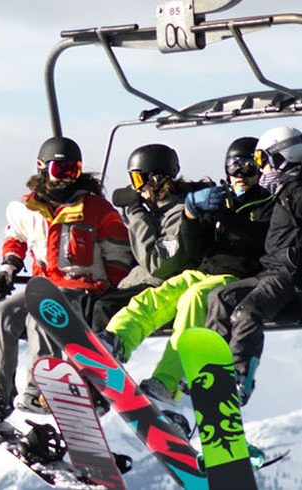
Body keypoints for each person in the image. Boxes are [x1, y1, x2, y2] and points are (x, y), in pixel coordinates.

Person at [0, 136, 134, 419]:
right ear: (42, 168)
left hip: (84, 292)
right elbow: (15, 237)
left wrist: (112, 296)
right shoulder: (25, 209)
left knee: (43, 310)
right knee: (0, 314)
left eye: (73, 171)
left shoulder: (96, 210)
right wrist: (9, 266)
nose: (66, 179)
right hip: (44, 286)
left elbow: (118, 255)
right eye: (59, 170)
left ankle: (44, 388)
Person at [100, 136, 275, 403]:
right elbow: (195, 246)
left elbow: (262, 243)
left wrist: (229, 219)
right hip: (206, 270)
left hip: (239, 276)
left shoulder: (269, 205)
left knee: (194, 299)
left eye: (249, 167)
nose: (240, 175)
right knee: (159, 295)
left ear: (261, 169)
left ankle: (167, 383)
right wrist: (192, 216)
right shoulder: (222, 200)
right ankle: (116, 340)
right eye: (233, 167)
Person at [205, 126, 302, 406]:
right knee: (220, 297)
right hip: (270, 271)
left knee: (247, 311)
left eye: (262, 161)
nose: (261, 171)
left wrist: (294, 256)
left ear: (281, 157)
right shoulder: (286, 187)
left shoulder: (296, 187)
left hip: (289, 276)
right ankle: (212, 366)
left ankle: (239, 375)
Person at [89, 143, 204, 333]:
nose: (136, 189)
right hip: (143, 284)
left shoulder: (179, 214)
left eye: (137, 179)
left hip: (164, 288)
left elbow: (157, 264)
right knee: (90, 304)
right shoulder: (157, 211)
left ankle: (102, 357)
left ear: (156, 178)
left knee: (105, 308)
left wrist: (136, 211)